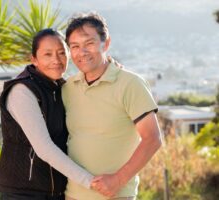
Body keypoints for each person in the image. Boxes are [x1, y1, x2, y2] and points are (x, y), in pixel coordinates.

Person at [62, 12, 162, 200]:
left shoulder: (131, 84)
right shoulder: (68, 88)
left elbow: (152, 138)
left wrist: (118, 180)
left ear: (106, 43)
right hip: (72, 195)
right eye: (74, 46)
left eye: (89, 43)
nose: (81, 52)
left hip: (115, 195)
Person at [0, 29, 97, 200]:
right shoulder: (22, 91)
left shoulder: (61, 88)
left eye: (61, 53)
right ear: (33, 59)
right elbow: (44, 148)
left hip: (57, 192)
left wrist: (109, 68)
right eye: (47, 54)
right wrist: (90, 181)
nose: (56, 60)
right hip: (24, 193)